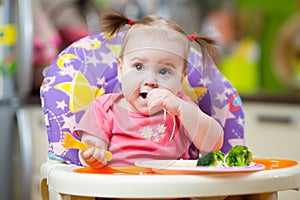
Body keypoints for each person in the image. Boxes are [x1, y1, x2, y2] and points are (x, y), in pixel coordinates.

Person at [74, 12, 224, 168]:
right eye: (138, 67)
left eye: (164, 71)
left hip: (171, 189)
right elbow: (91, 147)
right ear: (120, 69)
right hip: (119, 189)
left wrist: (182, 109)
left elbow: (213, 144)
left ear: (181, 79)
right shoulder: (105, 108)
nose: (151, 81)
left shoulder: (181, 107)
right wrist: (93, 154)